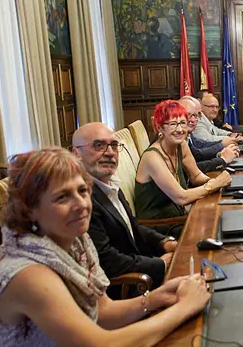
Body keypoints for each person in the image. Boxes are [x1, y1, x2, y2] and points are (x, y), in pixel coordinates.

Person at [0, 147, 211, 347]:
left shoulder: (74, 239)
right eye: (62, 198)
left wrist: (157, 298)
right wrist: (184, 308)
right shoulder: (26, 274)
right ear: (28, 210)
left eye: (82, 191)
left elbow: (103, 312)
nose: (80, 204)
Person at [72, 123, 176, 292]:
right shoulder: (80, 198)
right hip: (124, 289)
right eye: (99, 145)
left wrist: (163, 242)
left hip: (140, 267)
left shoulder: (109, 182)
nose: (110, 152)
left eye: (114, 145)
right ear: (77, 153)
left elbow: (134, 226)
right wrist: (160, 264)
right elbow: (106, 260)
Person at [135, 100, 232, 222]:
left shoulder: (181, 145)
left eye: (182, 123)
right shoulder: (152, 157)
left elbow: (196, 176)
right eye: (173, 124)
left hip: (179, 214)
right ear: (160, 127)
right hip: (158, 225)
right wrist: (215, 184)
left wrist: (220, 181)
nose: (180, 129)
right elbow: (181, 197)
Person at [180, 96, 239, 173]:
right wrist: (222, 159)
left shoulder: (187, 135)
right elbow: (190, 169)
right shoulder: (177, 139)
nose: (193, 120)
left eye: (196, 115)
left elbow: (198, 152)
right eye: (188, 115)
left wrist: (220, 154)